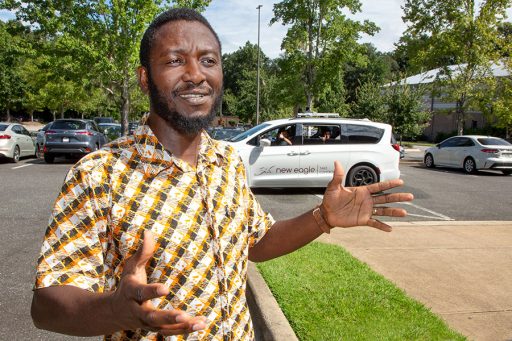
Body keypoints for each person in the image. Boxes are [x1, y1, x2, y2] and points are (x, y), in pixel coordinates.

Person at [30, 8, 414, 341]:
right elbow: (47, 305)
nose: (196, 75)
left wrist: (323, 219)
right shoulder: (101, 174)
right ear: (145, 78)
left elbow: (255, 242)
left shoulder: (226, 161)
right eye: (175, 60)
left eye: (208, 60)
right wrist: (119, 310)